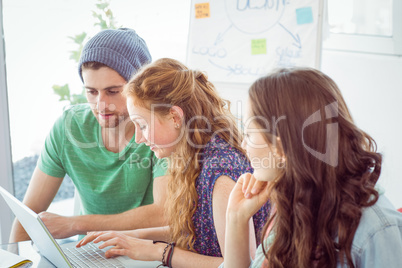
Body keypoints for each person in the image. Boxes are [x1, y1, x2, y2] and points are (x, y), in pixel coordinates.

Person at [76, 58, 270, 267]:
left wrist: (158, 251)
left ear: (175, 117)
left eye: (142, 125)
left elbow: (241, 264)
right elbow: (197, 230)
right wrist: (130, 237)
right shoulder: (190, 154)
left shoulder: (220, 172)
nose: (138, 139)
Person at [221, 67, 402, 268]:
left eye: (248, 134)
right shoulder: (296, 198)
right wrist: (236, 219)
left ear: (281, 147)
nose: (243, 146)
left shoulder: (375, 230)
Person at [10, 28, 169, 242]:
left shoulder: (161, 129)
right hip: (90, 255)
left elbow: (163, 214)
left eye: (113, 91)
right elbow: (28, 216)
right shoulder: (69, 127)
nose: (100, 105)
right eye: (91, 92)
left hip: (149, 256)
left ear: (140, 88)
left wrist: (75, 224)